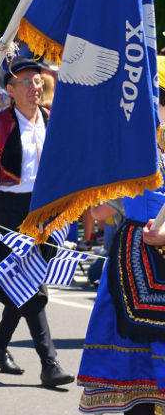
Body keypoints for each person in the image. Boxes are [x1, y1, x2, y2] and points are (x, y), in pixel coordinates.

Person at [0, 58, 75, 387]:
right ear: (10, 90)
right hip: (8, 210)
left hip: (45, 211)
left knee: (23, 284)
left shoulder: (53, 121)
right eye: (26, 82)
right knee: (31, 286)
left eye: (37, 81)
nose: (34, 87)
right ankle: (50, 362)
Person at [75, 63, 165, 415]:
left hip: (141, 251)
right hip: (132, 262)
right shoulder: (133, 147)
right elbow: (103, 210)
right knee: (135, 378)